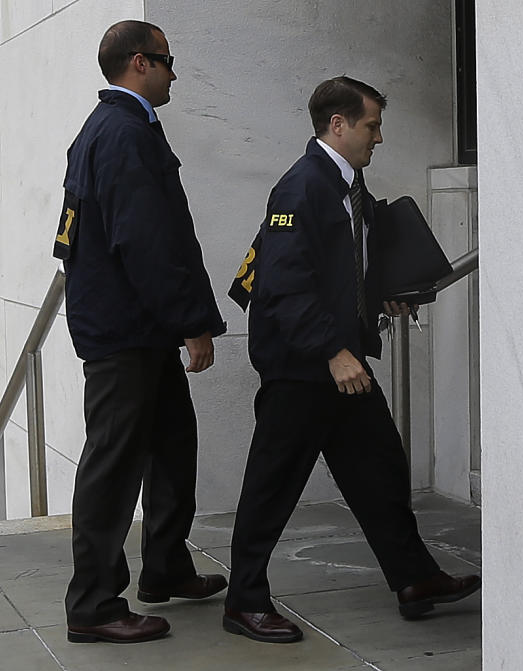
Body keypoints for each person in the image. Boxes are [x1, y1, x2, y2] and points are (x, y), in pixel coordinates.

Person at [223, 76, 481, 643]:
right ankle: (244, 602)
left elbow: (341, 267)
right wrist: (335, 350)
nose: (379, 137)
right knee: (272, 486)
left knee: (380, 470)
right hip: (305, 368)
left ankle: (415, 580)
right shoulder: (301, 188)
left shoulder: (348, 183)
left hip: (341, 366)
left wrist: (376, 295)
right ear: (337, 125)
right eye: (372, 125)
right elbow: (284, 286)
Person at [55, 20, 228, 645]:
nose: (175, 71)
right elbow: (148, 243)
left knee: (173, 445)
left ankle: (165, 567)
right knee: (113, 465)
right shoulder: (123, 133)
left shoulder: (116, 129)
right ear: (139, 63)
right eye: (168, 60)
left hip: (137, 327)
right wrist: (192, 324)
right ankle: (95, 604)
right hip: (127, 332)